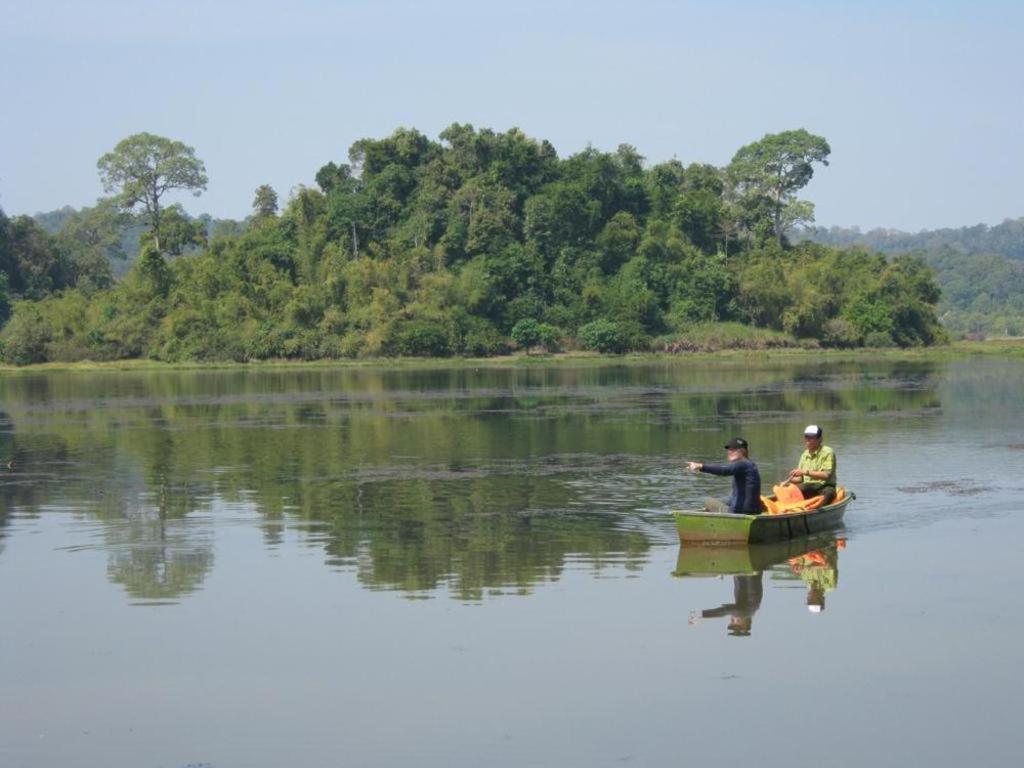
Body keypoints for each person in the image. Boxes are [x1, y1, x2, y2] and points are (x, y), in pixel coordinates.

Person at [685, 437, 764, 515]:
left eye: (733, 450)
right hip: (755, 510)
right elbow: (735, 495)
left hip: (740, 511)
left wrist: (701, 466)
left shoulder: (742, 464)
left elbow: (724, 471)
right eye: (729, 449)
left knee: (708, 501)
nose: (729, 452)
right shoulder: (750, 465)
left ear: (743, 451)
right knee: (723, 500)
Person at [787, 424, 837, 504]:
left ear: (820, 439)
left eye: (811, 437)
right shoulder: (804, 455)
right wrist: (790, 480)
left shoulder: (828, 452)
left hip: (824, 486)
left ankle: (817, 512)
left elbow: (826, 475)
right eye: (806, 436)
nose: (807, 439)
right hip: (809, 486)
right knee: (791, 490)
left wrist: (804, 472)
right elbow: (801, 479)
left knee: (828, 493)